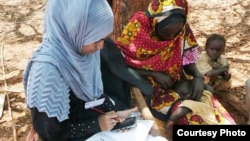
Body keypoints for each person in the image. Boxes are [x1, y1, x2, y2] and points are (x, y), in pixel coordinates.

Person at [114, 0, 236, 139]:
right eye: (166, 33)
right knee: (190, 117)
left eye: (175, 33)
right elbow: (119, 65)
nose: (171, 38)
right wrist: (153, 74)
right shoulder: (137, 27)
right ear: (154, 22)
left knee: (211, 106)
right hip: (148, 89)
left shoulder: (182, 27)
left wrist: (197, 76)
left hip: (178, 83)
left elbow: (187, 58)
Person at [23, 0, 138, 140]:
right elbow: (51, 134)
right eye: (95, 40)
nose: (101, 46)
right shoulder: (47, 73)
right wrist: (96, 125)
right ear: (73, 31)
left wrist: (113, 112)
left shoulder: (83, 52)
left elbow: (89, 100)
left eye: (103, 38)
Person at [164, 78, 236, 140]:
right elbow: (210, 89)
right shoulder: (205, 96)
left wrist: (171, 121)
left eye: (179, 95)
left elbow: (183, 109)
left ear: (186, 95)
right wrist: (200, 82)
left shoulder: (191, 103)